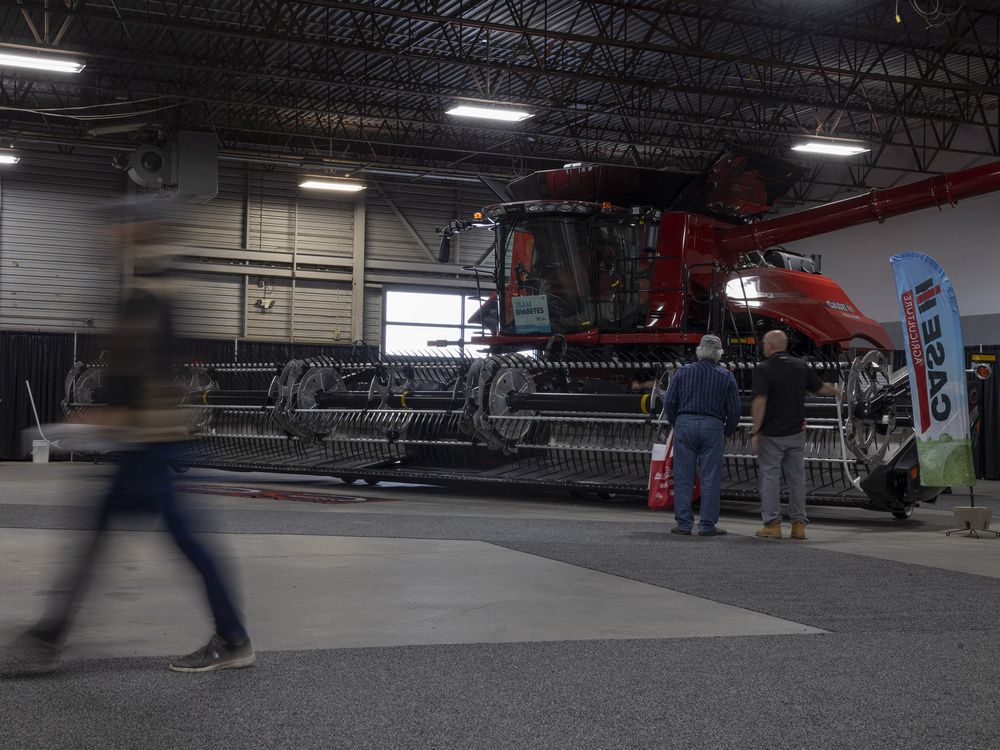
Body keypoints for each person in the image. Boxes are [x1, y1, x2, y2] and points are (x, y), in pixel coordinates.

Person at [3, 197, 254, 675]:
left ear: (147, 229)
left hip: (150, 445)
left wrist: (101, 418)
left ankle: (233, 637)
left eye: (124, 225)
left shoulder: (152, 291)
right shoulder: (146, 284)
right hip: (144, 443)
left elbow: (143, 369)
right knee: (115, 536)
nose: (111, 233)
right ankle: (49, 637)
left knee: (176, 541)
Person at [751, 330, 842, 540]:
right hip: (796, 433)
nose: (763, 346)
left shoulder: (764, 369)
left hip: (772, 435)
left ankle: (773, 525)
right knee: (797, 479)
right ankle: (798, 525)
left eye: (765, 343)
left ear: (771, 346)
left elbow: (759, 401)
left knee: (769, 478)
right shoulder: (801, 366)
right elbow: (820, 389)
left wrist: (756, 429)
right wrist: (839, 392)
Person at [663, 334, 741, 536]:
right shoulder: (726, 376)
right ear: (718, 354)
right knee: (710, 478)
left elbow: (669, 402)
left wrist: (676, 423)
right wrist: (727, 432)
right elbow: (734, 410)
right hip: (713, 427)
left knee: (683, 476)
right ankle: (707, 525)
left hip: (685, 424)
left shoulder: (683, 372)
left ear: (699, 351)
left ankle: (684, 524)